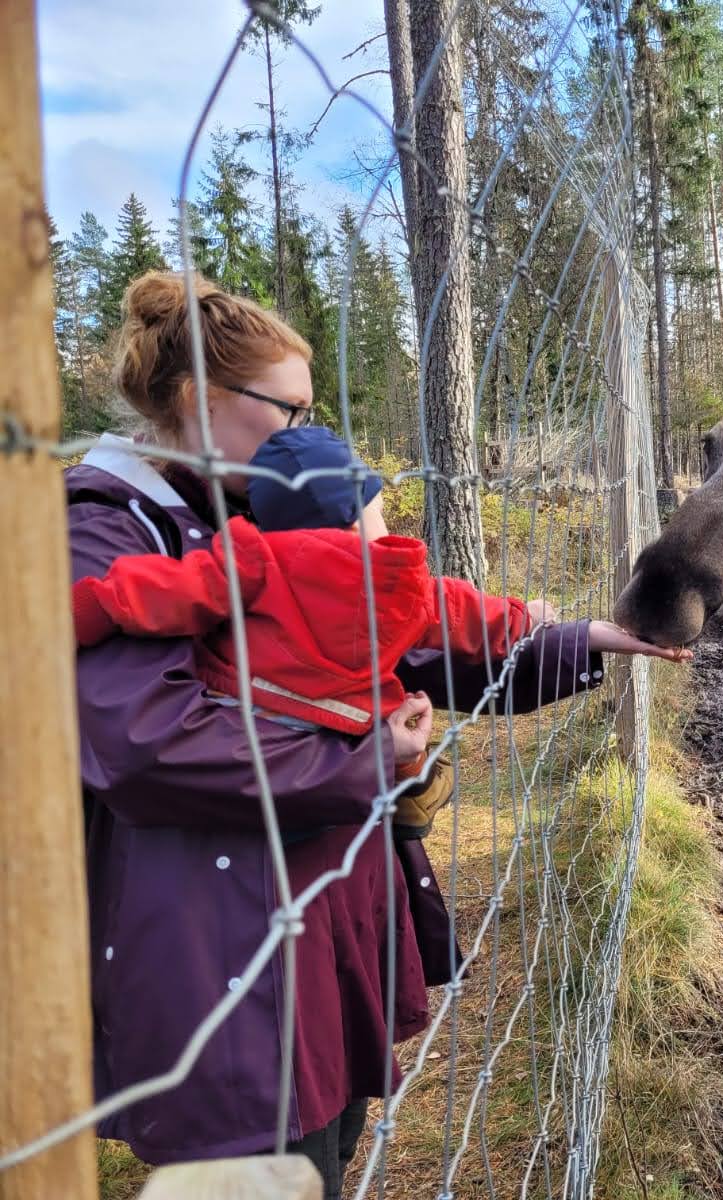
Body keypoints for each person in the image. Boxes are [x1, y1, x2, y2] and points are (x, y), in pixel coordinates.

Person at [66, 270, 678, 1197]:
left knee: (330, 1141)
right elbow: (144, 741)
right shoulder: (110, 529)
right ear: (199, 402)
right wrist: (364, 759)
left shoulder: (264, 509)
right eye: (292, 408)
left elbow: (411, 629)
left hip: (325, 911)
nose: (313, 431)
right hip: (222, 951)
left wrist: (575, 642)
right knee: (270, 1163)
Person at [71, 425, 679, 836]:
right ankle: (413, 787)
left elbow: (159, 595)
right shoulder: (397, 580)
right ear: (354, 510)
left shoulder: (249, 557)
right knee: (404, 710)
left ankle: (403, 783)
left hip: (254, 715)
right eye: (376, 503)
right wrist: (533, 618)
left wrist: (81, 611)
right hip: (352, 727)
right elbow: (467, 612)